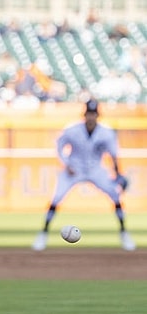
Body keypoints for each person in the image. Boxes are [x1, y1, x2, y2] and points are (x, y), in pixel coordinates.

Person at [32, 99, 135, 251]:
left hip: (95, 169)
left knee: (115, 195)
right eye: (89, 113)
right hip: (74, 168)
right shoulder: (72, 129)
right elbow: (59, 147)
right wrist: (66, 164)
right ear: (84, 114)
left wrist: (118, 173)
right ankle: (43, 233)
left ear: (97, 115)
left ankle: (124, 233)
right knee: (57, 197)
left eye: (93, 114)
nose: (91, 117)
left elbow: (113, 155)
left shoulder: (106, 132)